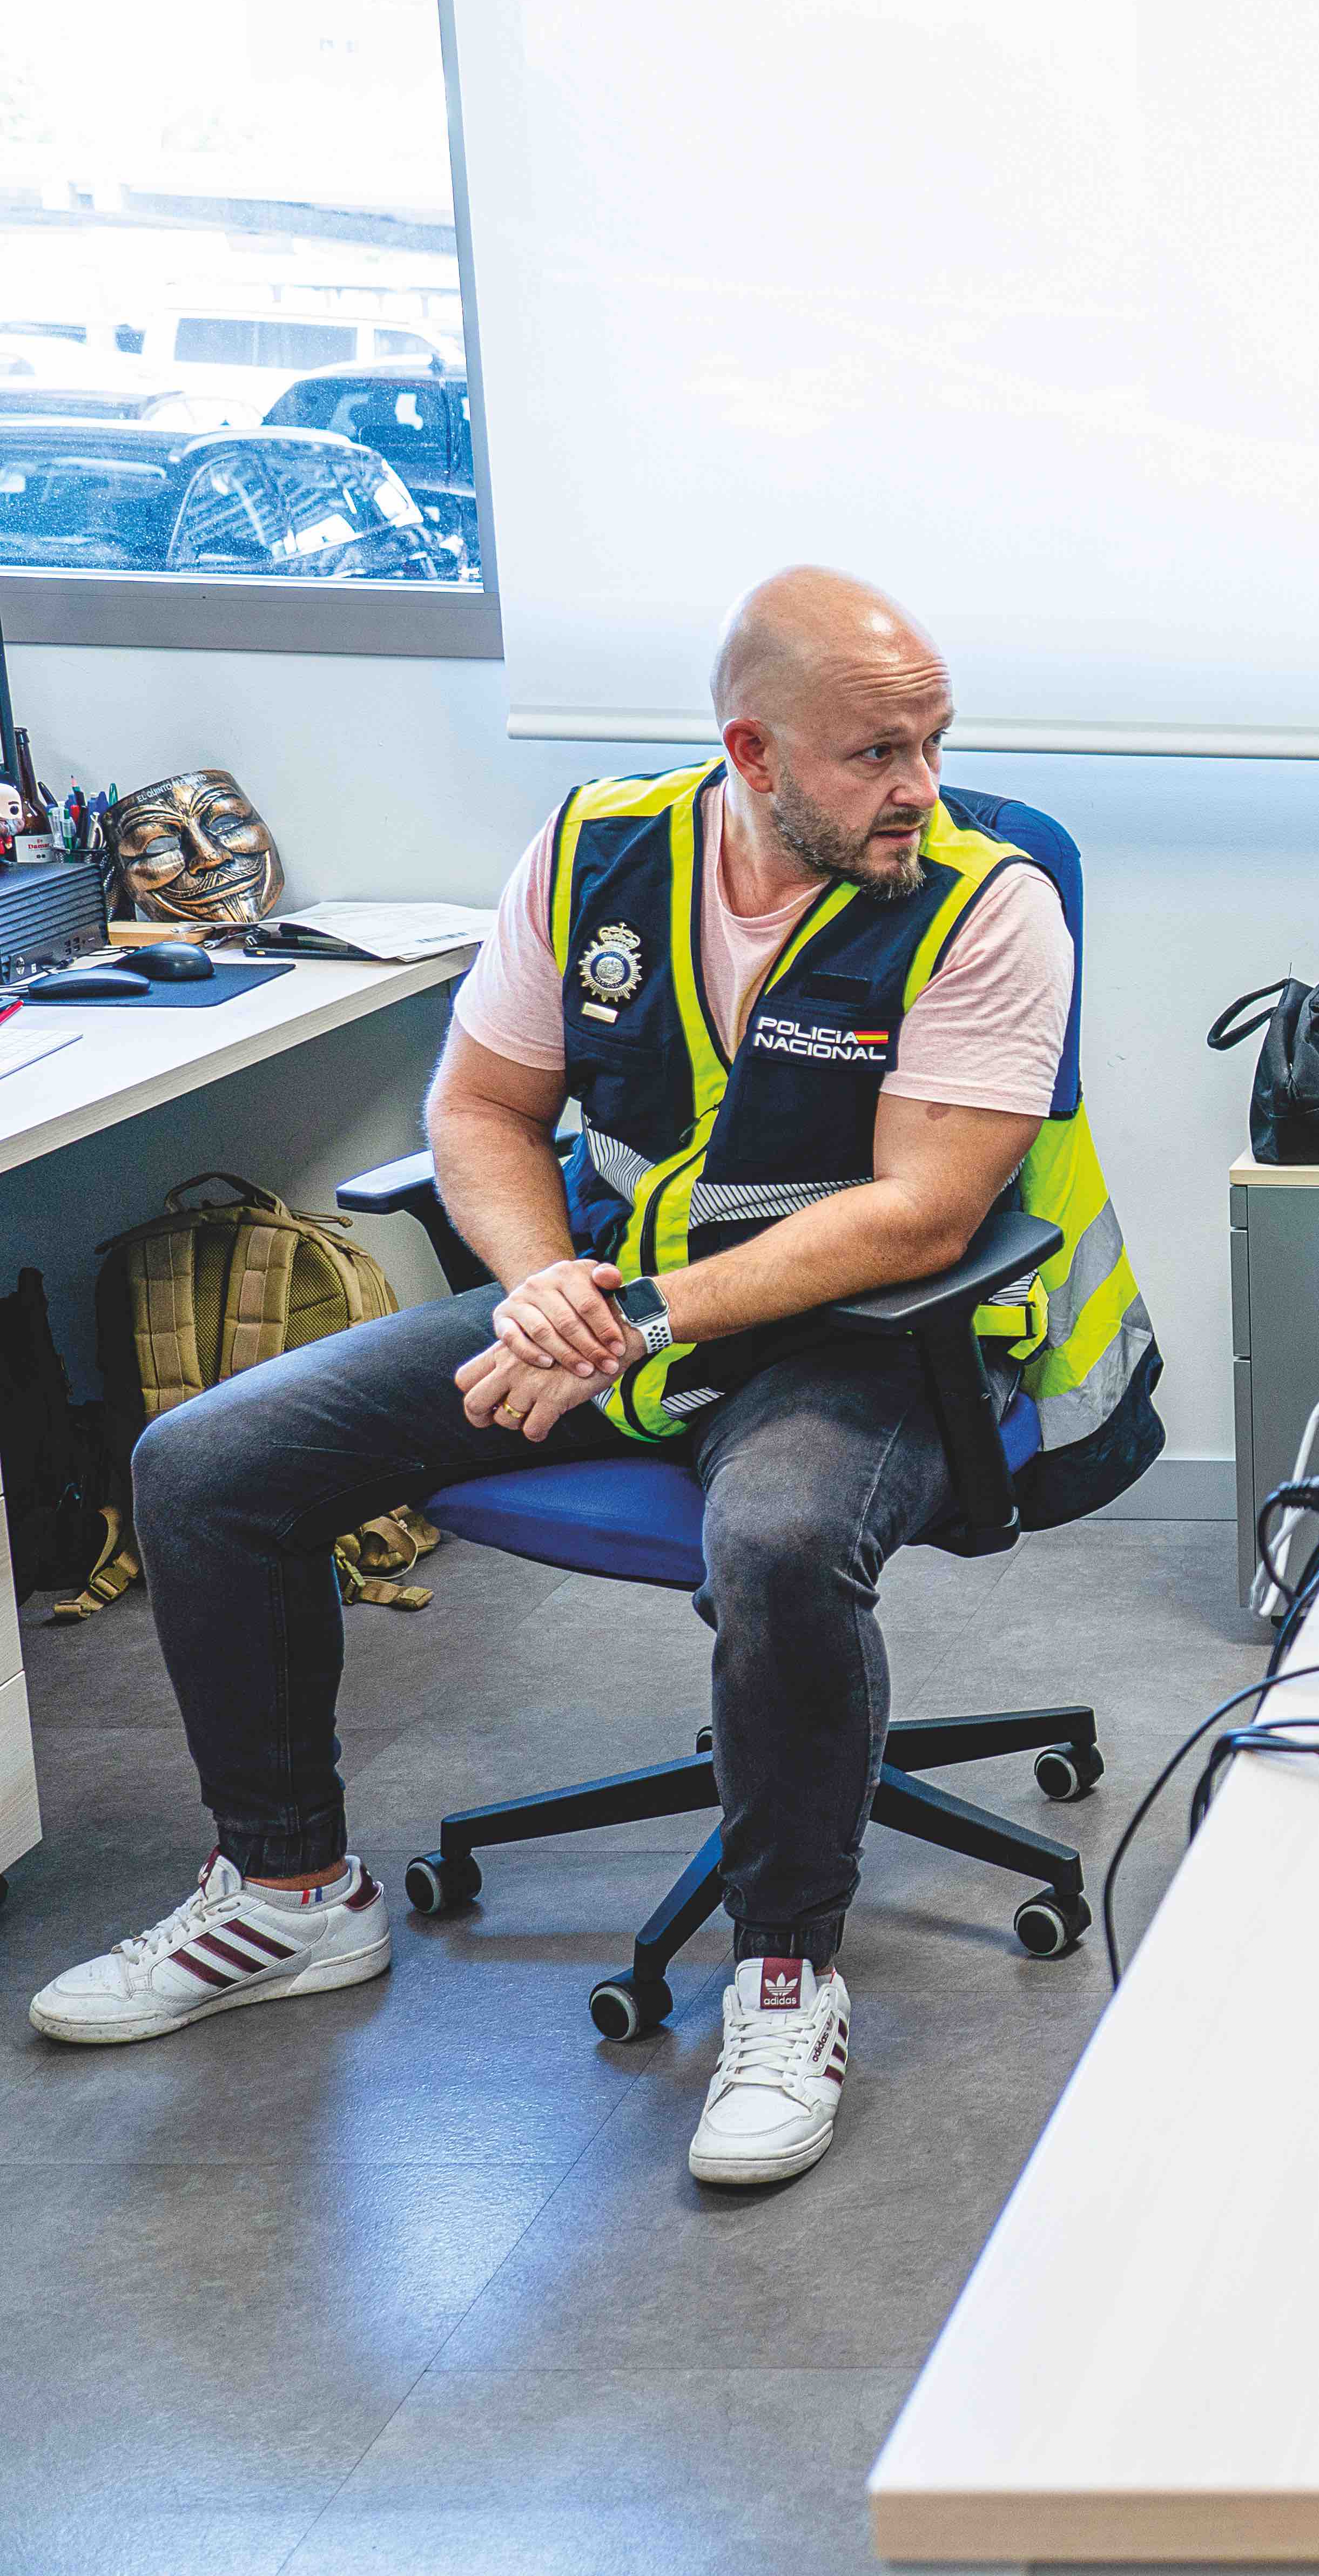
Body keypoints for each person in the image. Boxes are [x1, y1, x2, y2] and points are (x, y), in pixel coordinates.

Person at [27, 567, 1160, 2191]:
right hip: (621, 1310)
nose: (921, 787)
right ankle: (290, 1894)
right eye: (875, 755)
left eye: (935, 742)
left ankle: (785, 1968)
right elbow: (480, 1109)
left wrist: (633, 1320)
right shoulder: (599, 853)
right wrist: (545, 1283)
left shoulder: (989, 902)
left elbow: (925, 1210)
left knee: (776, 1543)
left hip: (874, 1343)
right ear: (753, 755)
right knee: (209, 1464)